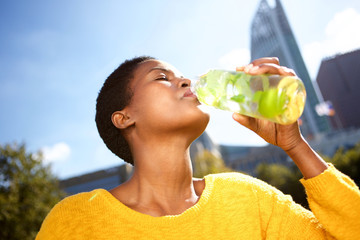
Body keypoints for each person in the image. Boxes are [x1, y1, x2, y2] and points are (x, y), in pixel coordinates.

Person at [36, 56, 360, 240]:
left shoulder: (247, 198)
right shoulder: (78, 220)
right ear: (125, 118)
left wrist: (296, 146)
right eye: (161, 77)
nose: (186, 82)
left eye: (183, 77)